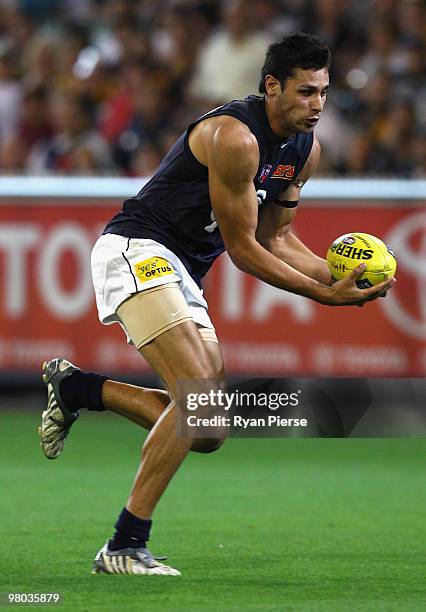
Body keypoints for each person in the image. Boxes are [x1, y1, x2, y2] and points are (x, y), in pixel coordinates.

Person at [39, 33, 395, 576]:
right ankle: (124, 545)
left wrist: (343, 276)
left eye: (323, 92)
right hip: (138, 250)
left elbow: (278, 238)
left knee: (207, 428)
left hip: (182, 270)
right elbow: (244, 249)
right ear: (271, 86)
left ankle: (78, 388)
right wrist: (325, 295)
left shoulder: (306, 147)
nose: (317, 105)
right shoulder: (235, 137)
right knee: (197, 399)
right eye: (305, 92)